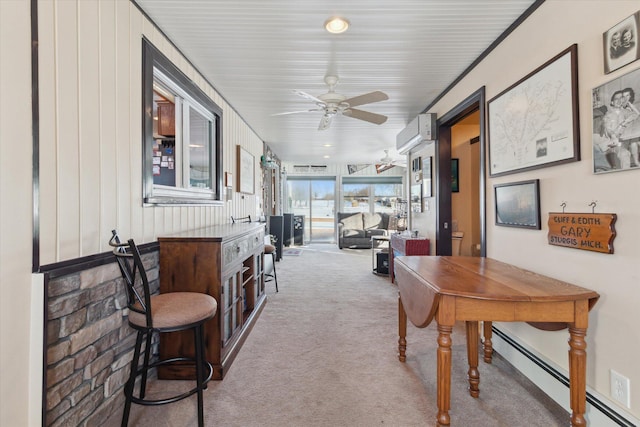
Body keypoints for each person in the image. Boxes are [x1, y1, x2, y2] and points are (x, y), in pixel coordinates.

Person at [620, 87, 640, 166]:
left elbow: (638, 114)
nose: (625, 98)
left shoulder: (632, 105)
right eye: (623, 96)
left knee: (637, 142)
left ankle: (636, 161)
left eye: (627, 95)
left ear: (631, 96)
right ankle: (636, 161)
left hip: (636, 127)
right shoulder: (621, 106)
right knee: (634, 143)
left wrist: (630, 106)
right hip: (627, 129)